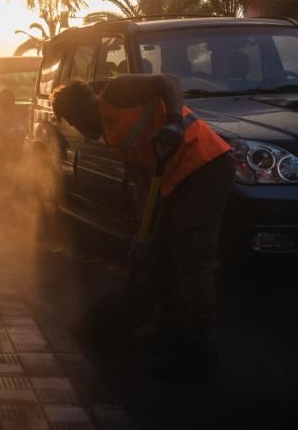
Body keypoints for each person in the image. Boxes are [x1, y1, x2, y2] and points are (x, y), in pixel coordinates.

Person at [51, 75, 234, 380]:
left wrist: (174, 122)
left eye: (76, 121)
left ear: (82, 108)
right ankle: (170, 332)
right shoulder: (114, 138)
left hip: (205, 165)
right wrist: (142, 234)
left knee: (192, 261)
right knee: (160, 256)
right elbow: (142, 184)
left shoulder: (117, 92)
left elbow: (168, 82)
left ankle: (203, 352)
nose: (80, 130)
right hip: (175, 181)